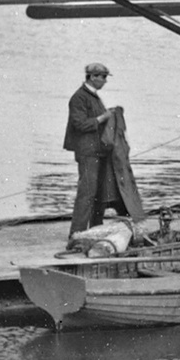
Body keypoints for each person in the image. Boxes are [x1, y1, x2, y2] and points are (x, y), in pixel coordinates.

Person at [64, 62, 127, 243]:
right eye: (103, 77)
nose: (105, 81)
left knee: (99, 194)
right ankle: (76, 233)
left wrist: (109, 115)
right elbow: (80, 124)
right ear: (93, 77)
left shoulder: (93, 97)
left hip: (98, 152)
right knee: (87, 192)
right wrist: (103, 117)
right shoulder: (78, 98)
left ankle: (95, 230)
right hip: (87, 152)